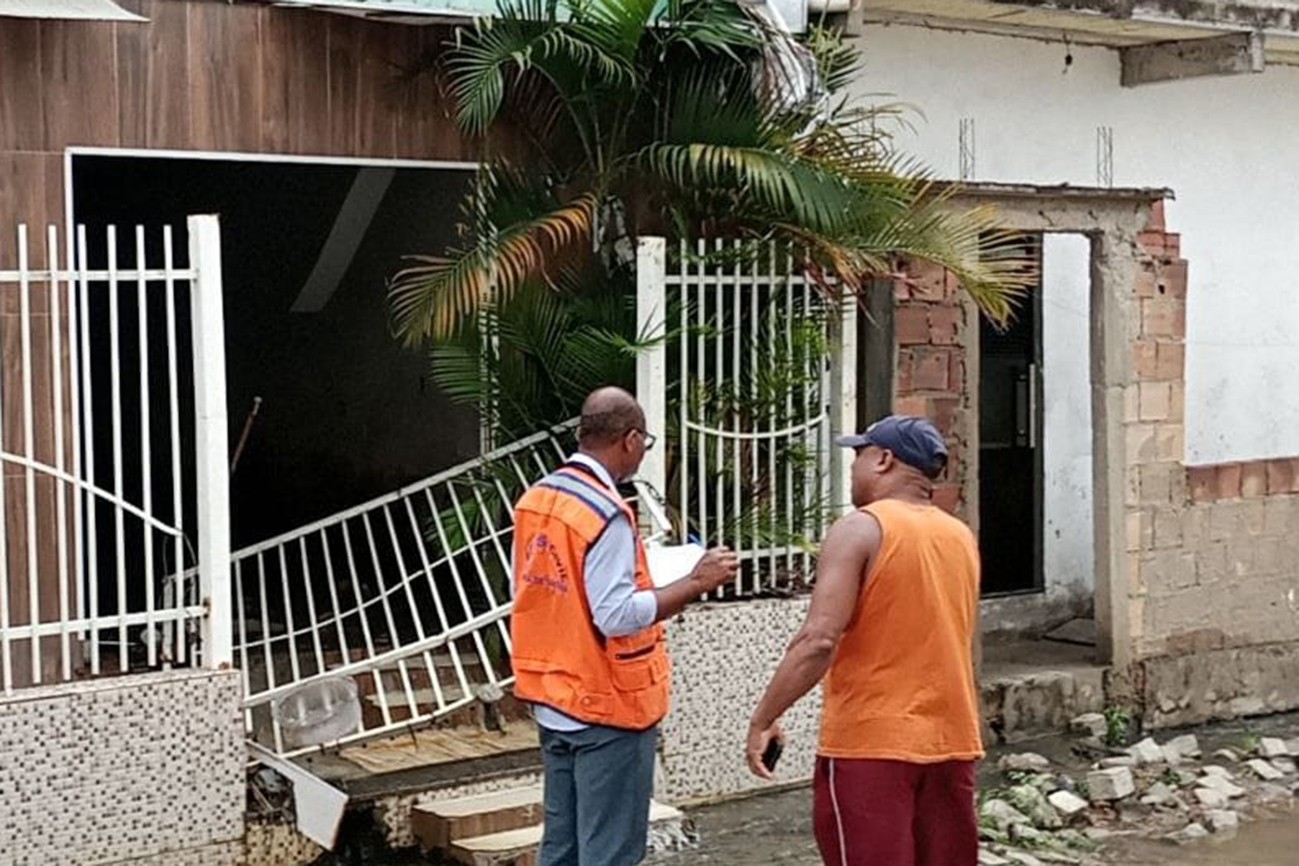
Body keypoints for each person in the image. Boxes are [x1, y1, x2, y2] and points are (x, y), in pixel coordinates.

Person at [511, 386, 740, 866]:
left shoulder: (539, 499)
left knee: (562, 847)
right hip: (605, 706)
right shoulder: (605, 513)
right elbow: (614, 615)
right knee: (609, 851)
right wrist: (696, 582)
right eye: (646, 442)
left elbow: (549, 589)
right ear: (631, 440)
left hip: (553, 697)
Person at [744, 415, 984, 866]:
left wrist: (764, 718)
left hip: (872, 745)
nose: (853, 468)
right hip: (952, 742)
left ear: (884, 460)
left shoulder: (861, 528)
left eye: (860, 455)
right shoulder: (959, 536)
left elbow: (818, 639)